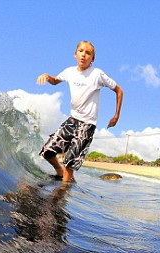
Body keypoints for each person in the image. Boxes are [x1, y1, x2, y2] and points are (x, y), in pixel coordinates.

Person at [37, 41, 123, 183]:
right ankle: (59, 172)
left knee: (69, 164)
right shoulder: (69, 72)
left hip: (87, 125)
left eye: (88, 53)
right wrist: (47, 76)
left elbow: (119, 90)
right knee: (47, 152)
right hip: (72, 120)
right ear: (75, 54)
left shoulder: (97, 74)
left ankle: (62, 194)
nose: (84, 55)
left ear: (92, 59)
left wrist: (116, 116)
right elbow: (55, 81)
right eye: (81, 51)